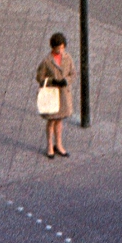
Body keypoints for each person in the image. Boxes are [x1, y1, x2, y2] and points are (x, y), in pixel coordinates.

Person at [36, 30, 74, 158]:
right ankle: (49, 146)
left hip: (63, 95)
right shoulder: (47, 61)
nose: (60, 51)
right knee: (51, 121)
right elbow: (40, 77)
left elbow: (73, 74)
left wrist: (66, 80)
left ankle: (59, 144)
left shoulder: (67, 58)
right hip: (52, 95)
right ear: (53, 47)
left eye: (62, 48)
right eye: (58, 48)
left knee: (59, 120)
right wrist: (52, 81)